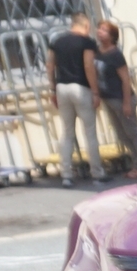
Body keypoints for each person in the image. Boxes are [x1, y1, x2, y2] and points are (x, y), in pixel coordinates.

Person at [48, 12, 103, 187]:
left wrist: (52, 89)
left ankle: (66, 174)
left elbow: (50, 65)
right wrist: (95, 92)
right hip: (81, 88)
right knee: (90, 132)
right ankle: (97, 173)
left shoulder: (57, 41)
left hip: (61, 87)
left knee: (67, 132)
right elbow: (88, 66)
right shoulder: (87, 42)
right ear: (86, 26)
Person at [93, 20, 137, 180]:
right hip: (108, 99)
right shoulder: (98, 52)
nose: (100, 32)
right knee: (122, 134)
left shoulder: (115, 55)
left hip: (121, 98)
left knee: (133, 132)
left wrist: (127, 103)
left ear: (112, 36)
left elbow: (126, 79)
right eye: (99, 28)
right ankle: (136, 163)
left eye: (104, 30)